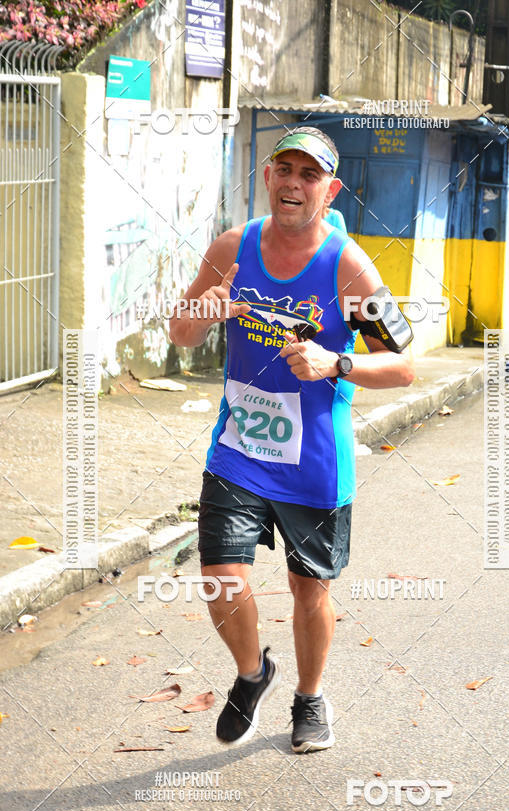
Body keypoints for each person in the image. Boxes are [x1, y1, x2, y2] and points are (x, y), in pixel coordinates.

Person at [169, 126, 413, 753]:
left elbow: (405, 365)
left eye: (310, 176)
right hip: (240, 448)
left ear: (329, 191)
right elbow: (181, 333)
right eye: (285, 170)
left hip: (313, 462)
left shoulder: (348, 268)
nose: (294, 184)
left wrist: (338, 364)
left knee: (310, 589)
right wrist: (204, 313)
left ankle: (309, 698)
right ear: (270, 176)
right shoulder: (233, 246)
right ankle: (252, 675)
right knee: (221, 573)